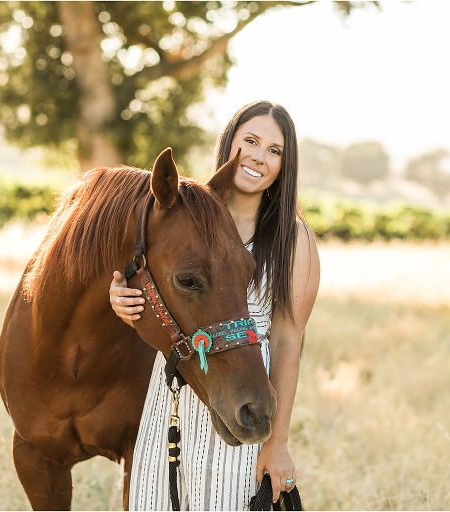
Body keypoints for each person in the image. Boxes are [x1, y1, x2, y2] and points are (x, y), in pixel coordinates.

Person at [109, 100, 320, 511]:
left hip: (242, 390)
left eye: (274, 151)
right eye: (251, 141)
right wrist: (120, 297)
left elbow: (287, 342)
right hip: (170, 395)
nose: (259, 157)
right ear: (229, 145)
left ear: (283, 166)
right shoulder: (182, 215)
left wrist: (277, 443)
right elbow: (149, 283)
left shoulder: (294, 241)